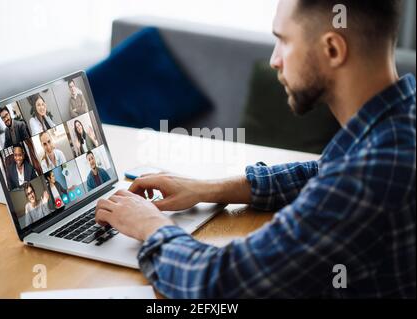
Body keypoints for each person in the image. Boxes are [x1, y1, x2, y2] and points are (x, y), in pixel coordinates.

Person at [95, 0, 416, 298]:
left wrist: (150, 226)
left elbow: (223, 284)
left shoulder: (369, 174)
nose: (275, 60)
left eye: (284, 41)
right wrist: (207, 188)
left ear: (332, 48)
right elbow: (323, 173)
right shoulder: (397, 121)